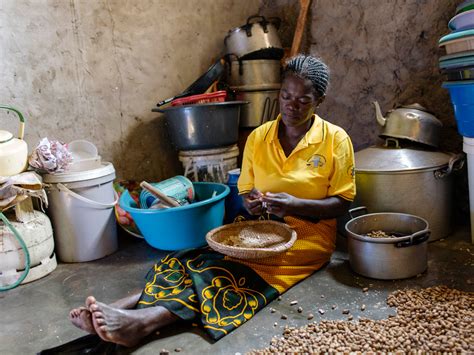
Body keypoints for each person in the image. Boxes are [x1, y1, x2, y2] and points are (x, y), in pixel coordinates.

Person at [58, 54, 355, 351]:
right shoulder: (259, 137)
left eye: (303, 100)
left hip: (307, 238)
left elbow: (341, 203)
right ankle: (119, 307)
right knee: (192, 259)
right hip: (260, 228)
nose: (292, 106)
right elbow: (245, 190)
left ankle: (143, 321)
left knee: (229, 276)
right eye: (285, 96)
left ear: (320, 101)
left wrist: (295, 205)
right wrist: (251, 203)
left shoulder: (335, 140)